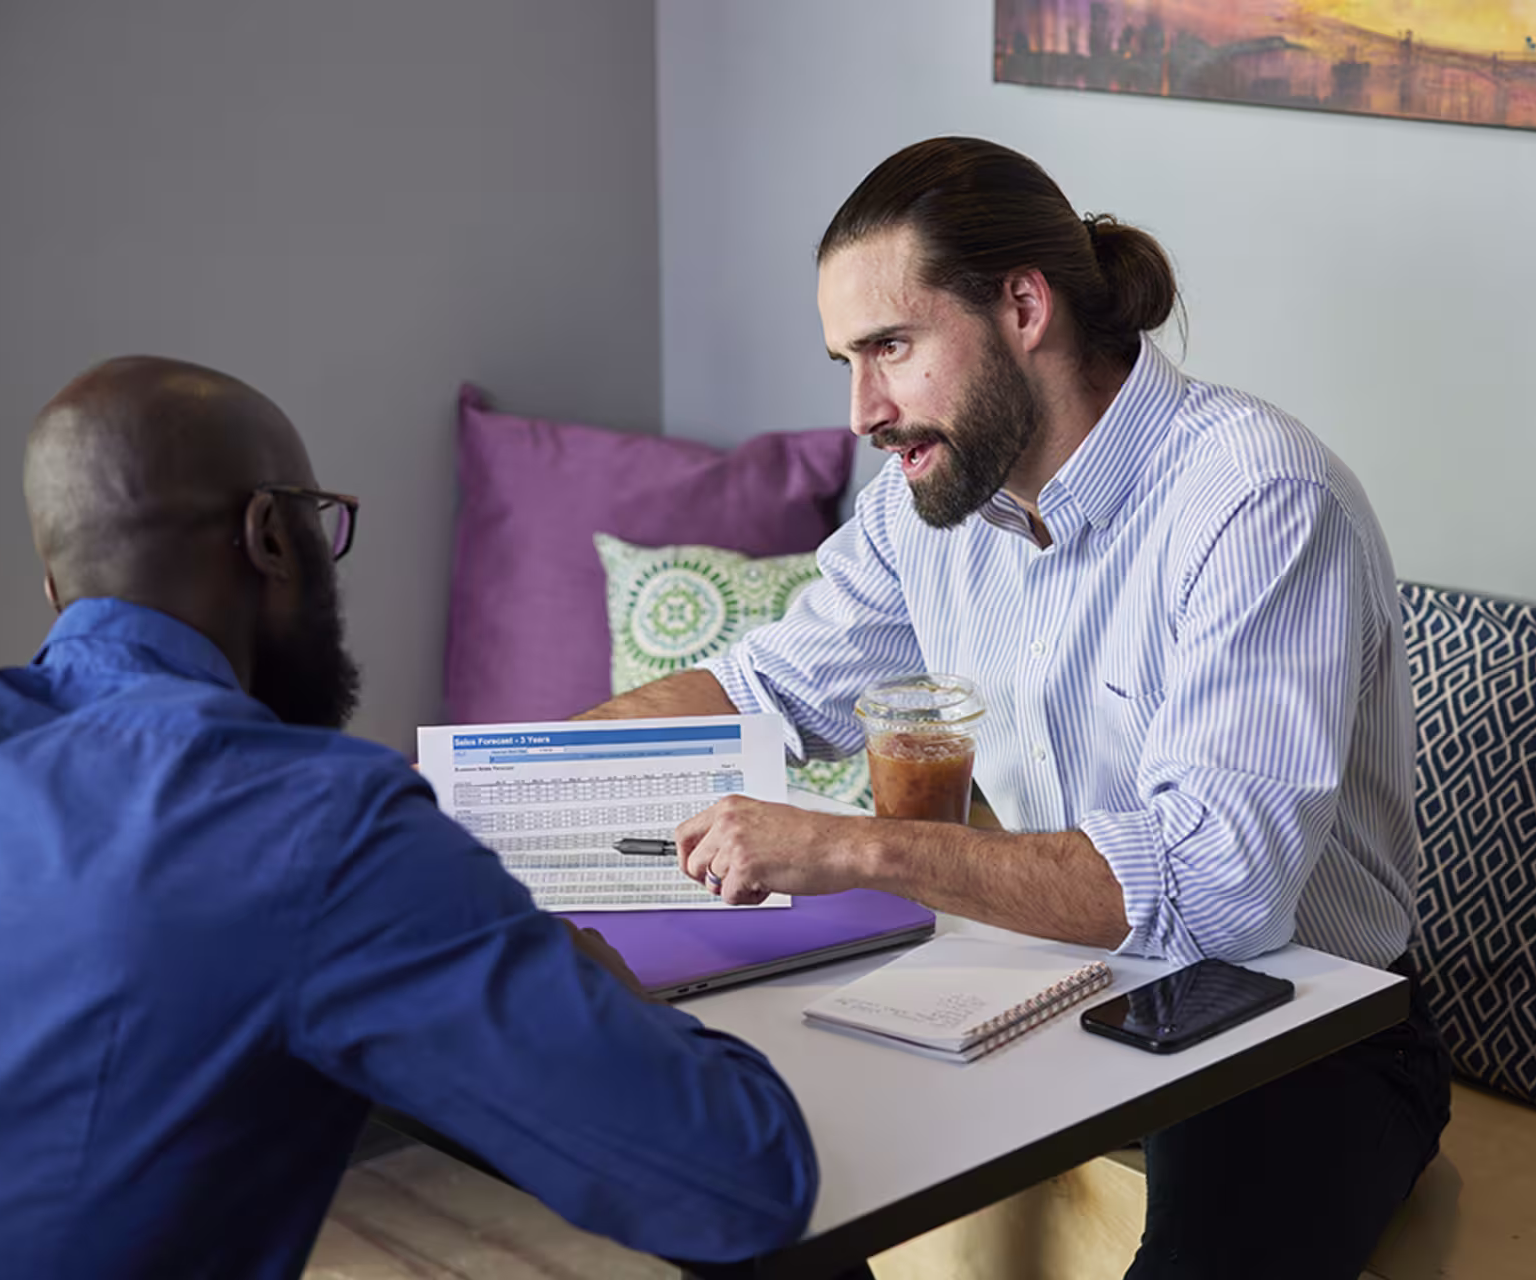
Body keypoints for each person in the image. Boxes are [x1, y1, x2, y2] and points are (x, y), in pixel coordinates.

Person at [581, 138, 1452, 1278]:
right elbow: (761, 688)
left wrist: (852, 847)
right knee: (742, 1178)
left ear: (1024, 307)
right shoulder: (927, 509)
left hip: (1301, 1027)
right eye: (847, 359)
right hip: (1044, 969)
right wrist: (517, 781)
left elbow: (1218, 891)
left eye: (889, 346)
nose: (861, 408)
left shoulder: (1255, 500)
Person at [0, 357, 817, 1278]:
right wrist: (608, 997)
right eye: (323, 524)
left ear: (57, 583)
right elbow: (746, 1178)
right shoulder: (316, 817)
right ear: (273, 535)